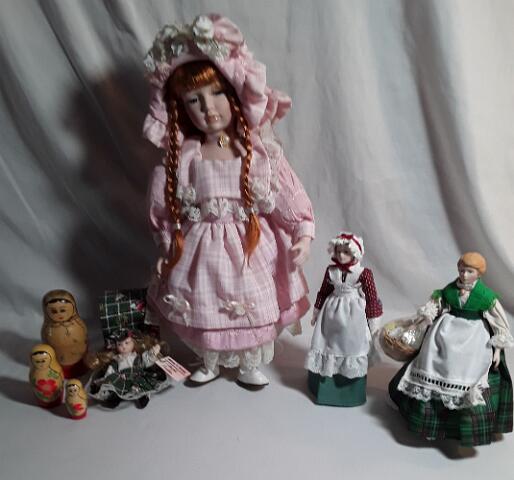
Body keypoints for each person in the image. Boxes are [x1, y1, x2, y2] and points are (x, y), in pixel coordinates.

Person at [143, 15, 314, 387]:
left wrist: (302, 232)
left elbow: (284, 193)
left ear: (236, 94)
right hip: (201, 249)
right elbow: (166, 208)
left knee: (249, 298)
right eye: (194, 100)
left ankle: (249, 361)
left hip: (249, 246)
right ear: (181, 108)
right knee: (204, 300)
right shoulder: (185, 157)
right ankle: (211, 360)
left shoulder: (256, 152)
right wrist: (167, 243)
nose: (208, 108)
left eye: (217, 93)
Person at [389, 252, 513, 446]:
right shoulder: (451, 289)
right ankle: (429, 419)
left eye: (469, 271)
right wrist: (426, 317)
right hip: (445, 332)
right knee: (431, 361)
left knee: (469, 373)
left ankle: (462, 422)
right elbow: (437, 303)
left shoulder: (485, 296)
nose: (464, 275)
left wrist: (497, 349)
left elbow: (500, 323)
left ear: (479, 273)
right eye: (462, 270)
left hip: (473, 336)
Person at [305, 232, 382, 406]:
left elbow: (372, 299)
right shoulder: (331, 271)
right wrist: (316, 311)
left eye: (346, 252)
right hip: (331, 313)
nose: (341, 255)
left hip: (353, 315)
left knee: (351, 345)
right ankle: (323, 382)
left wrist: (373, 323)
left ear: (355, 253)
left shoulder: (363, 273)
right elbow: (323, 292)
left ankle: (348, 387)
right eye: (338, 251)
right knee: (327, 343)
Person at [87, 329, 171, 409]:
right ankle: (114, 398)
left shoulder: (136, 356)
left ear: (133, 342)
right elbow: (111, 370)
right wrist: (106, 379)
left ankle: (142, 396)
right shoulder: (116, 360)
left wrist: (153, 352)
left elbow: (145, 361)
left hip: (136, 375)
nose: (123, 347)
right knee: (113, 382)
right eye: (119, 344)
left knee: (140, 384)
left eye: (127, 343)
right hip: (122, 378)